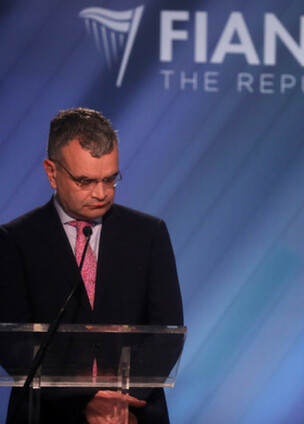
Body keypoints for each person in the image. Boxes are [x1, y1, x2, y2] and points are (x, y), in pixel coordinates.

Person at [0, 108, 184, 423]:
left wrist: (121, 401)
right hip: (48, 414)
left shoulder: (148, 234)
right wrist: (84, 401)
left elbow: (166, 332)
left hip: (132, 414)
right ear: (51, 172)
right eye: (85, 181)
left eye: (109, 179)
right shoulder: (15, 240)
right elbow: (12, 342)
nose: (100, 194)